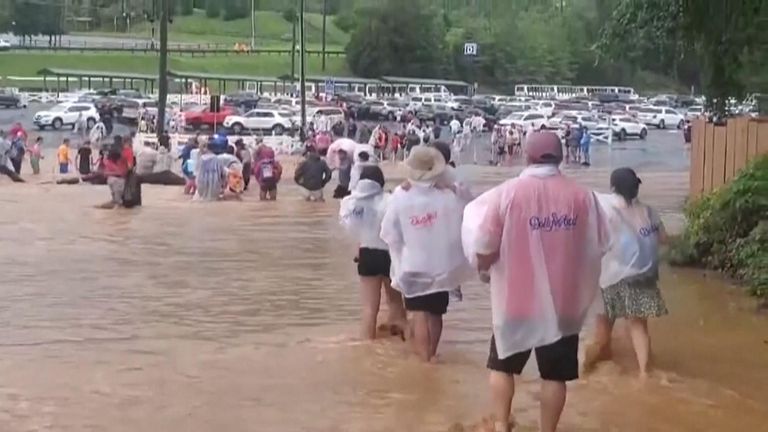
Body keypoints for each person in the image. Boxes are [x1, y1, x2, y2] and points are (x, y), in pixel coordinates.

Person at [463, 132, 608, 432]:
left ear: (526, 156)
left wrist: (484, 268)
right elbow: (600, 243)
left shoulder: (507, 193)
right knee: (555, 375)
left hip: (516, 299)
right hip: (564, 301)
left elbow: (485, 247)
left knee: (503, 365)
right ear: (562, 156)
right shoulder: (584, 197)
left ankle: (502, 425)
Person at [380, 146, 473, 362]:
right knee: (436, 313)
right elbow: (470, 211)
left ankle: (423, 360)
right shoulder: (448, 194)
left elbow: (389, 232)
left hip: (413, 265)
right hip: (442, 266)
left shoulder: (400, 196)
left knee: (419, 313)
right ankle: (432, 354)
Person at [584, 168, 668, 379]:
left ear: (613, 187)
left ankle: (586, 371)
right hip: (644, 276)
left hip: (611, 277)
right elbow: (664, 239)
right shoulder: (649, 211)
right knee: (638, 325)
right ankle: (644, 373)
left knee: (603, 325)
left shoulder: (605, 207)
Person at [340, 165, 408, 339]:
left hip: (366, 253)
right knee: (395, 303)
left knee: (369, 309)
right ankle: (406, 345)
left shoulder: (352, 203)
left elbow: (352, 228)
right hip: (390, 255)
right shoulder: (390, 200)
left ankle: (367, 347)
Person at [101, 142, 130, 208]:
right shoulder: (110, 162)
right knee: (117, 199)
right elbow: (122, 173)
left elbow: (121, 173)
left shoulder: (108, 162)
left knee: (117, 199)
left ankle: (116, 203)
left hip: (114, 180)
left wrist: (109, 173)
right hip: (117, 181)